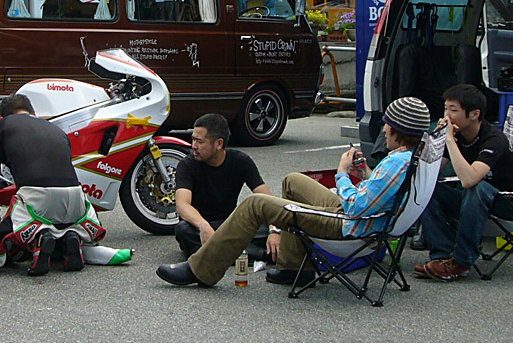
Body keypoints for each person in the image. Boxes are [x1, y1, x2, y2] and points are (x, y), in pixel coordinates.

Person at [156, 96, 430, 288]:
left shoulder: (395, 163)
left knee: (256, 204)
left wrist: (343, 173)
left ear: (397, 129)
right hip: (360, 216)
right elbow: (378, 193)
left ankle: (202, 269)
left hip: (349, 224)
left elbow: (356, 207)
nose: (384, 128)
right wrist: (365, 174)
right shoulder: (409, 158)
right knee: (292, 181)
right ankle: (292, 265)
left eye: (387, 124)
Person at [0, 93, 102, 276]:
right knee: (59, 224)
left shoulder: (0, 127)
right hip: (77, 199)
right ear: (33, 112)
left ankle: (39, 242)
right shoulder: (57, 130)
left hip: (37, 198)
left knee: (7, 239)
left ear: (3, 116)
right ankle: (69, 239)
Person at [415, 84, 513, 282]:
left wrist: (450, 141)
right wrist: (437, 140)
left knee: (477, 187)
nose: (447, 116)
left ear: (474, 114)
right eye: (445, 109)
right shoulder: (455, 135)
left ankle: (461, 261)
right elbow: (428, 171)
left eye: (453, 110)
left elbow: (469, 180)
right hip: (475, 201)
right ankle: (442, 256)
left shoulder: (494, 139)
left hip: (506, 201)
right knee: (428, 187)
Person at [175, 113, 278, 261]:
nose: (194, 146)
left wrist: (274, 230)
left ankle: (214, 254)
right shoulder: (187, 165)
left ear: (219, 144)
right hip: (200, 225)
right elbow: (182, 205)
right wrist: (203, 226)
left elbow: (267, 200)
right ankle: (254, 255)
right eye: (193, 139)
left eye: (199, 141)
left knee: (273, 229)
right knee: (183, 230)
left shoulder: (241, 161)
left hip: (231, 226)